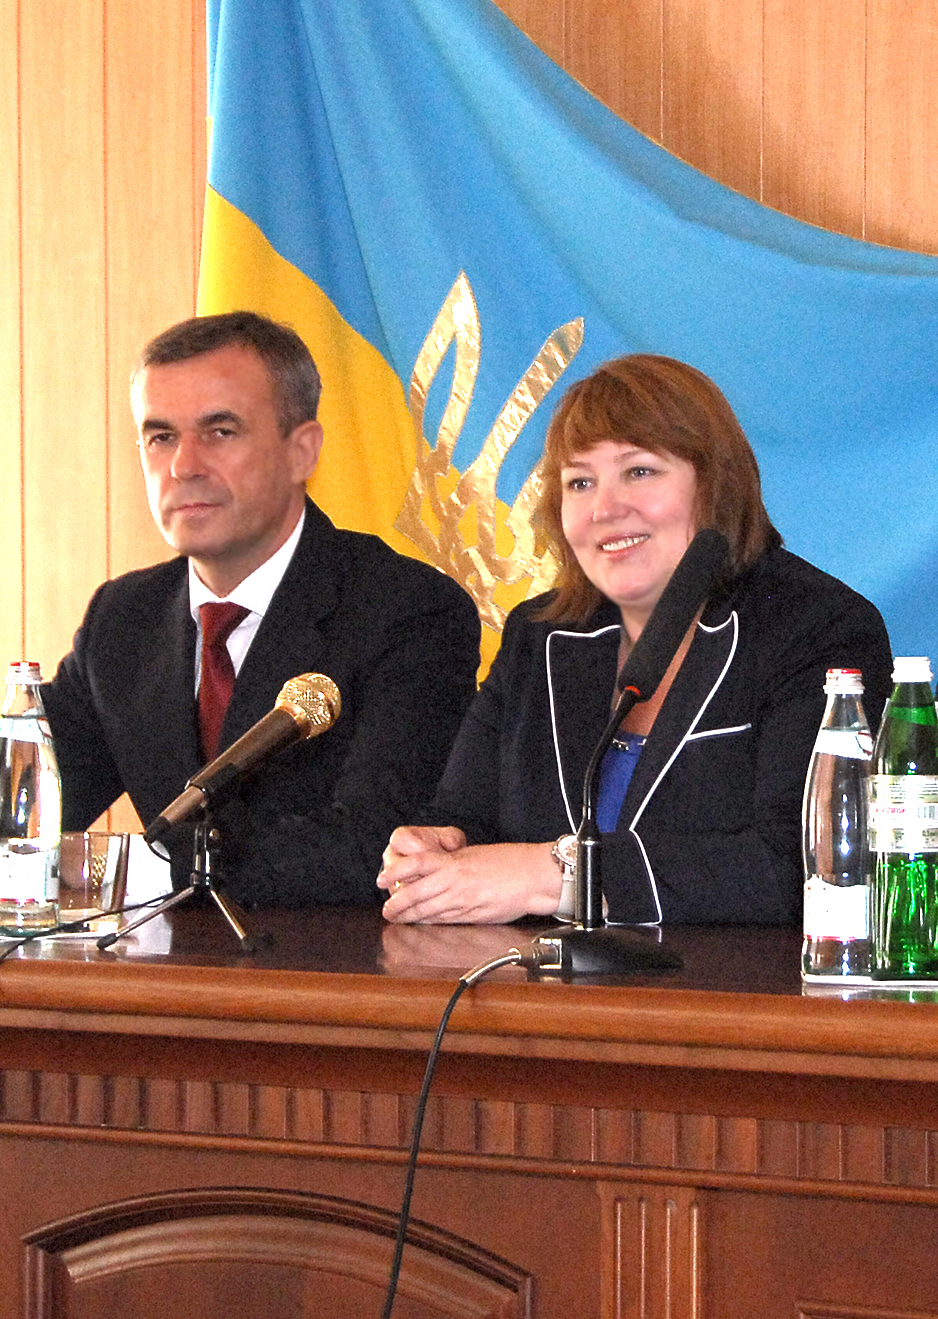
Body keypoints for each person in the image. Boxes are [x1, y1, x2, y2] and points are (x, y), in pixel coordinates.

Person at [0, 312, 481, 907]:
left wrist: (118, 867)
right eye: (160, 437)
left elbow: (374, 849)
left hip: (334, 978)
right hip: (163, 974)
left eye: (220, 432)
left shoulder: (407, 612)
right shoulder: (126, 619)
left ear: (302, 452)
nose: (183, 466)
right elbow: (23, 811)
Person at [379, 354, 891, 927]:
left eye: (639, 472)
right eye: (580, 482)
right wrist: (434, 848)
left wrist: (561, 875)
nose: (605, 508)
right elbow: (464, 817)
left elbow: (805, 866)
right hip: (530, 975)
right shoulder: (539, 634)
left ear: (714, 485)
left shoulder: (817, 628)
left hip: (728, 980)